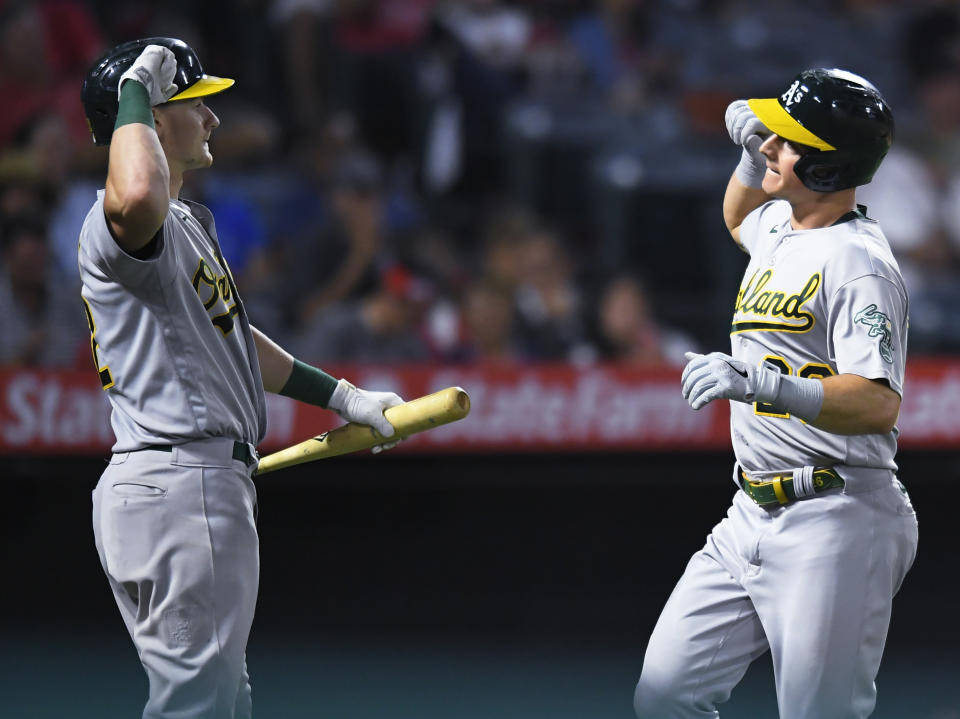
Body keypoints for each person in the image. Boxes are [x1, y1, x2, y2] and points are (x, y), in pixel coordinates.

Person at [77, 38, 405, 719]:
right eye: (196, 104)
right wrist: (140, 82)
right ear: (155, 119)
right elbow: (134, 187)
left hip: (179, 483)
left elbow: (231, 339)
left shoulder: (182, 222)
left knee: (222, 702)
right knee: (198, 705)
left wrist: (339, 395)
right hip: (180, 480)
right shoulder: (126, 213)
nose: (215, 119)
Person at [633, 68, 918, 718]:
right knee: (666, 693)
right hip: (750, 510)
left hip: (838, 514)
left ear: (823, 166)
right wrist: (745, 156)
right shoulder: (783, 227)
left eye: (785, 141)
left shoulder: (861, 264)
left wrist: (761, 383)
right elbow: (740, 218)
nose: (769, 145)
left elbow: (879, 401)